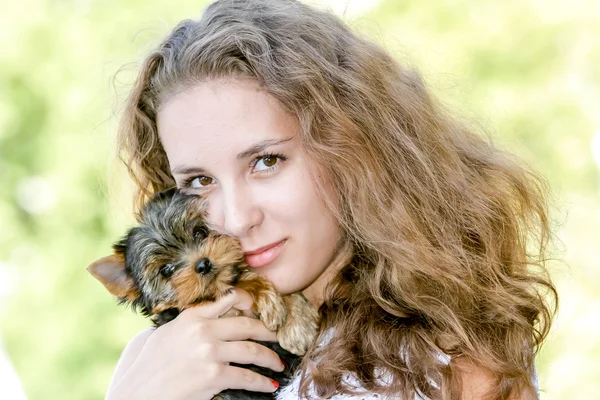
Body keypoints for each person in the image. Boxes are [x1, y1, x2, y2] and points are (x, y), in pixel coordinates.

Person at [106, 0, 557, 398]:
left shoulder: (446, 356)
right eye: (200, 181)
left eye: (266, 162)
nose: (237, 218)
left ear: (349, 147)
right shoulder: (166, 360)